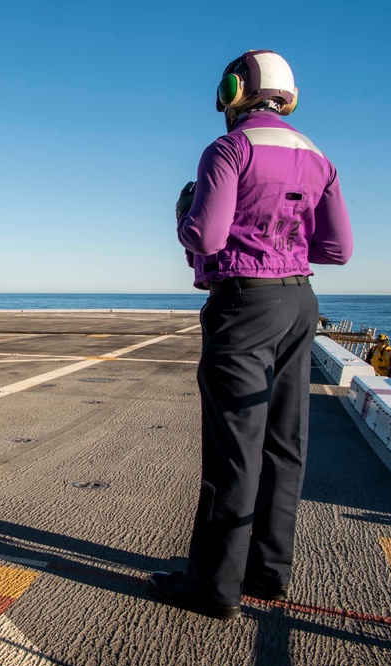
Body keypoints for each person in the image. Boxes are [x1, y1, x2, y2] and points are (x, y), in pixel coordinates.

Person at [150, 50, 354, 620]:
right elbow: (337, 250)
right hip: (299, 301)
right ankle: (269, 571)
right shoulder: (319, 158)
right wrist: (282, 243)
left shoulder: (229, 148)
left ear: (235, 89)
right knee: (285, 444)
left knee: (233, 451)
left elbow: (208, 237)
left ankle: (213, 586)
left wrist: (186, 216)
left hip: (245, 304)